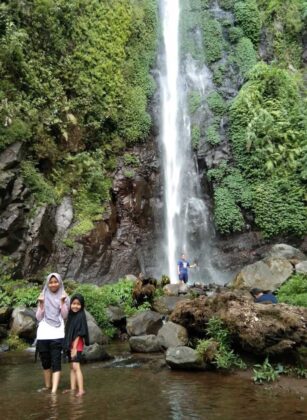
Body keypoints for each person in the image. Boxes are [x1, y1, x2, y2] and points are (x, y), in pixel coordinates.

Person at [36, 272, 69, 394]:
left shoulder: (64, 296)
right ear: (47, 283)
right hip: (43, 334)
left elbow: (65, 316)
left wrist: (62, 302)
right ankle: (48, 386)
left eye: (55, 282)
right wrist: (41, 304)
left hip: (57, 334)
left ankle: (54, 391)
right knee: (45, 363)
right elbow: (39, 317)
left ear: (59, 282)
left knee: (56, 362)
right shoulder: (43, 295)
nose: (53, 284)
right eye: (51, 282)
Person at [63, 293, 89, 397]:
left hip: (77, 344)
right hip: (71, 343)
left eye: (78, 304)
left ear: (82, 305)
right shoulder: (71, 315)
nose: (75, 306)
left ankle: (81, 389)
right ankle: (73, 388)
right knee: (72, 367)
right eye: (73, 303)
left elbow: (80, 332)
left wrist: (74, 347)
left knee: (76, 366)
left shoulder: (81, 315)